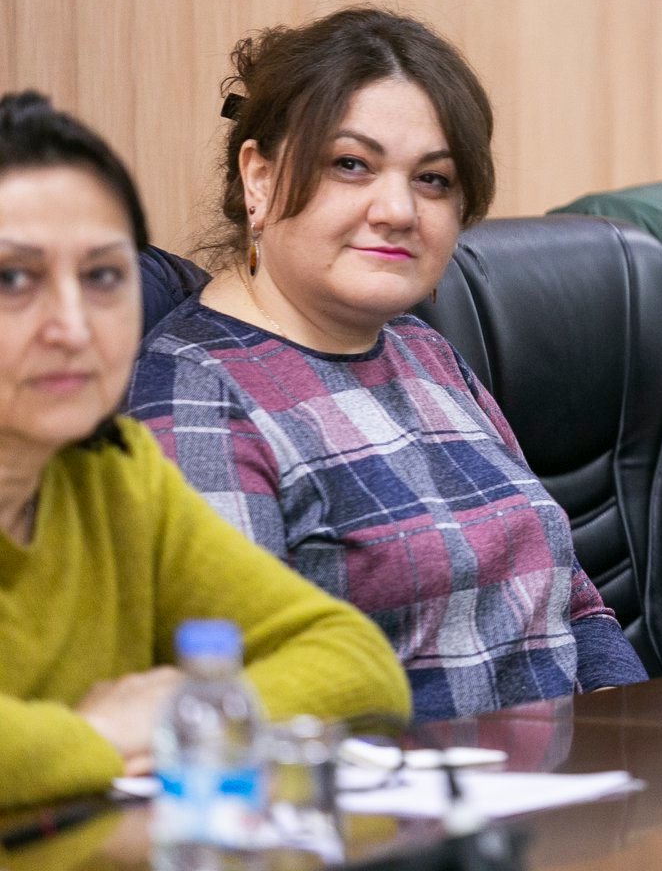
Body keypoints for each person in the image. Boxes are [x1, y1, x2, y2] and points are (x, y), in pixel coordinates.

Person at [127, 8, 644, 722]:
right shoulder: (196, 403)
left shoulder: (425, 353)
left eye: (433, 179)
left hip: (579, 775)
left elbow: (575, 607)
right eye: (351, 165)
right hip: (401, 791)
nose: (398, 209)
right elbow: (240, 707)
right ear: (260, 178)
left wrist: (639, 732)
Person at [0, 91, 408, 808]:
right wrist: (98, 737)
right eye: (12, 279)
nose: (73, 326)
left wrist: (165, 718)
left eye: (102, 276)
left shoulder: (115, 473)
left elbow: (359, 667)